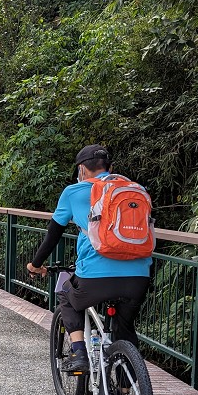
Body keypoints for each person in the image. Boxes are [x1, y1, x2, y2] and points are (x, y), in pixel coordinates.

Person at [26, 144, 152, 372]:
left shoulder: (74, 192)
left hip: (95, 276)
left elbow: (53, 236)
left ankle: (79, 353)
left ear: (82, 169)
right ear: (110, 168)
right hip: (138, 276)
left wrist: (35, 265)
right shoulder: (135, 189)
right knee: (125, 328)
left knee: (66, 292)